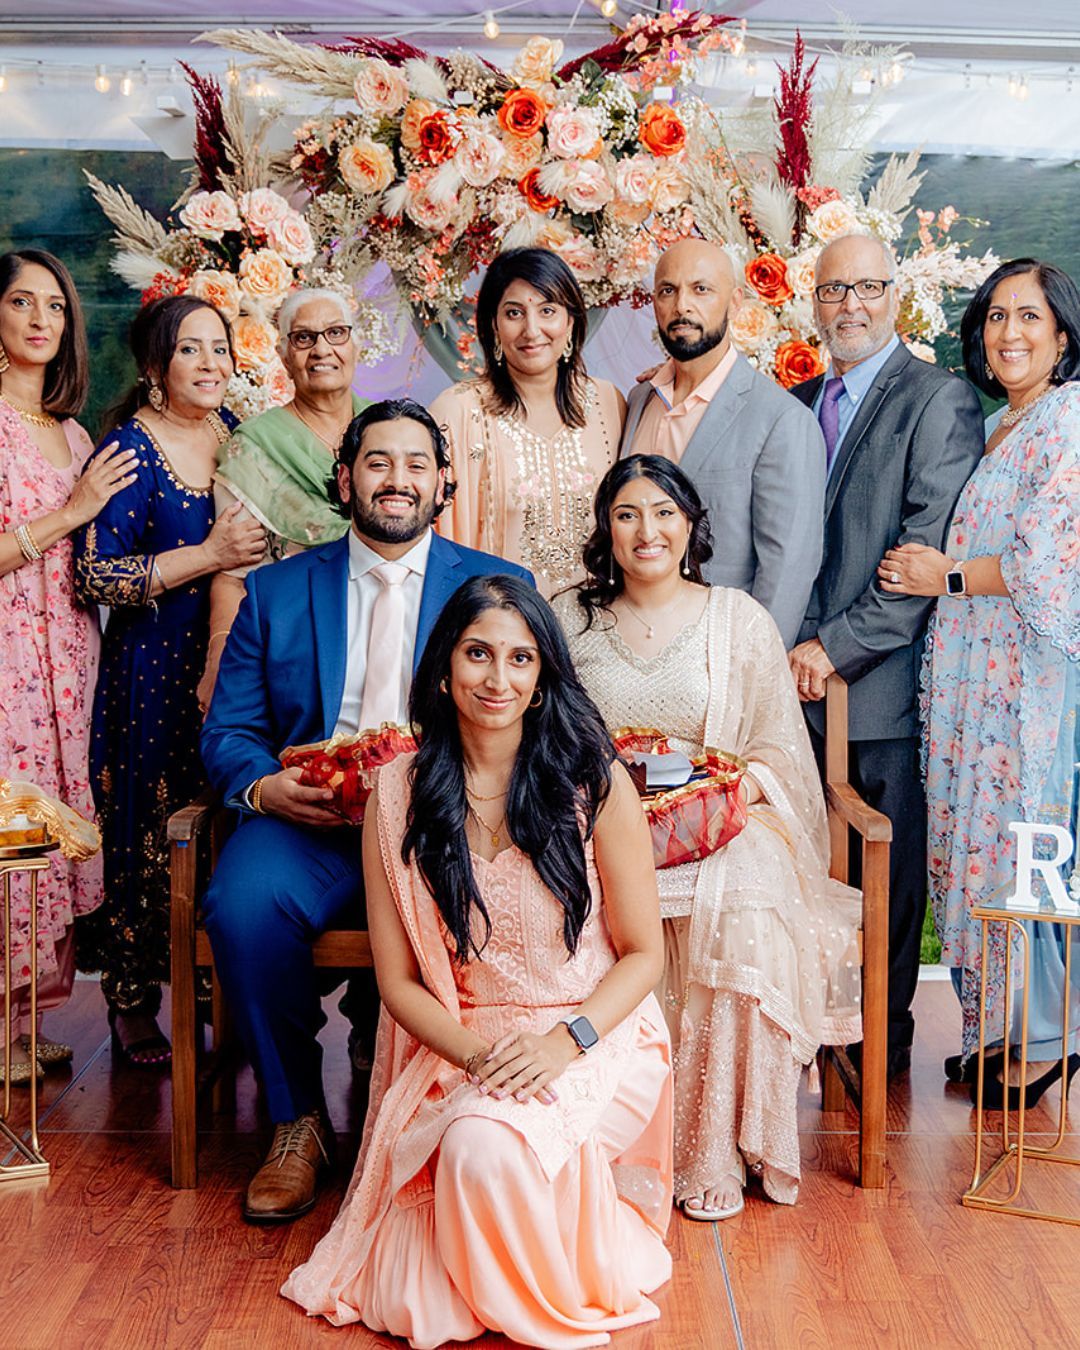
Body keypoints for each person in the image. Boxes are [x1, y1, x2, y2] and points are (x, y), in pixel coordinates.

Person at [282, 574, 673, 1345]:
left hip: (596, 1032)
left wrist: (566, 1044)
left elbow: (643, 957)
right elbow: (396, 982)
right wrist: (480, 1058)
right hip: (461, 1040)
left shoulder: (592, 785)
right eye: (479, 654)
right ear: (443, 668)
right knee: (461, 1177)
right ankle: (521, 1266)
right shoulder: (397, 793)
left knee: (483, 1149)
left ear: (541, 679)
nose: (498, 678)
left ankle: (551, 1295)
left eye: (521, 659)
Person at [200, 398, 533, 1224]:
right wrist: (265, 788)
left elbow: (532, 718)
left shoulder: (495, 588)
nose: (397, 479)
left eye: (416, 463)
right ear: (345, 478)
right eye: (378, 462)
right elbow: (231, 730)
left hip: (440, 823)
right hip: (308, 820)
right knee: (241, 906)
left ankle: (447, 1099)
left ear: (443, 481)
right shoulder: (277, 590)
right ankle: (297, 1119)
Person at [553, 455, 861, 1222]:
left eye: (663, 512)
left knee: (748, 900)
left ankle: (712, 1144)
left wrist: (725, 793)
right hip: (596, 818)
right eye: (627, 514)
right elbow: (542, 732)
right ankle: (612, 1137)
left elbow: (779, 749)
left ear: (690, 524)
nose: (646, 529)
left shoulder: (739, 619)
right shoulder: (568, 617)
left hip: (718, 819)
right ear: (606, 529)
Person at [882, 258, 1080, 1105]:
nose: (1009, 333)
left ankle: (1047, 1039)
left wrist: (947, 576)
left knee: (1024, 843)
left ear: (1063, 333)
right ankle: (996, 1030)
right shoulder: (1001, 423)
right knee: (974, 843)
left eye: (1029, 317)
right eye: (996, 316)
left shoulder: (1070, 420)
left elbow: (1049, 562)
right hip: (971, 676)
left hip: (1028, 677)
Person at [788, 232, 985, 1079]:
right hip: (791, 693)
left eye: (868, 287)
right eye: (834, 291)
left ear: (895, 295)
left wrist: (831, 649)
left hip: (882, 694)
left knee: (884, 893)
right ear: (814, 303)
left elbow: (921, 559)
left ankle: (879, 1059)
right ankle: (805, 1044)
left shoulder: (937, 400)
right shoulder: (795, 400)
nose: (850, 306)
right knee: (803, 885)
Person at [73, 296, 266, 1067]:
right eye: (192, 350)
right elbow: (95, 574)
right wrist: (209, 555)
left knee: (220, 828)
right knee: (144, 831)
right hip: (148, 672)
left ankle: (215, 989)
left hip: (231, 664)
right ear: (156, 369)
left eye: (221, 348)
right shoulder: (128, 452)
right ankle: (131, 1001)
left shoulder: (235, 439)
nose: (213, 363)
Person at [0, 249, 136, 1083]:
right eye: (22, 301)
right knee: (4, 828)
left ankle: (16, 1026)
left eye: (55, 304)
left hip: (68, 659)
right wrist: (73, 511)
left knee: (46, 831)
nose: (42, 318)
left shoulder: (76, 431)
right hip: (7, 653)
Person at [620, 238, 825, 647]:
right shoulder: (640, 399)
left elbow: (788, 572)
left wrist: (749, 673)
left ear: (734, 303)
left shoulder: (782, 420)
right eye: (668, 291)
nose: (682, 306)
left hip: (720, 655)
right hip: (630, 643)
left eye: (701, 289)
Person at [197, 287, 368, 709]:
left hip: (385, 626)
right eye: (304, 338)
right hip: (291, 644)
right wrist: (220, 649)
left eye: (336, 333)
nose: (321, 349)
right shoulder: (254, 446)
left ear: (355, 345)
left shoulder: (389, 429)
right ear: (283, 355)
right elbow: (232, 573)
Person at [431, 247, 623, 596]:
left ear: (571, 321)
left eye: (547, 311)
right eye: (514, 313)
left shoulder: (607, 403)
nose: (532, 330)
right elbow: (436, 546)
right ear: (493, 324)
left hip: (602, 625)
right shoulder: (458, 412)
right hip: (504, 633)